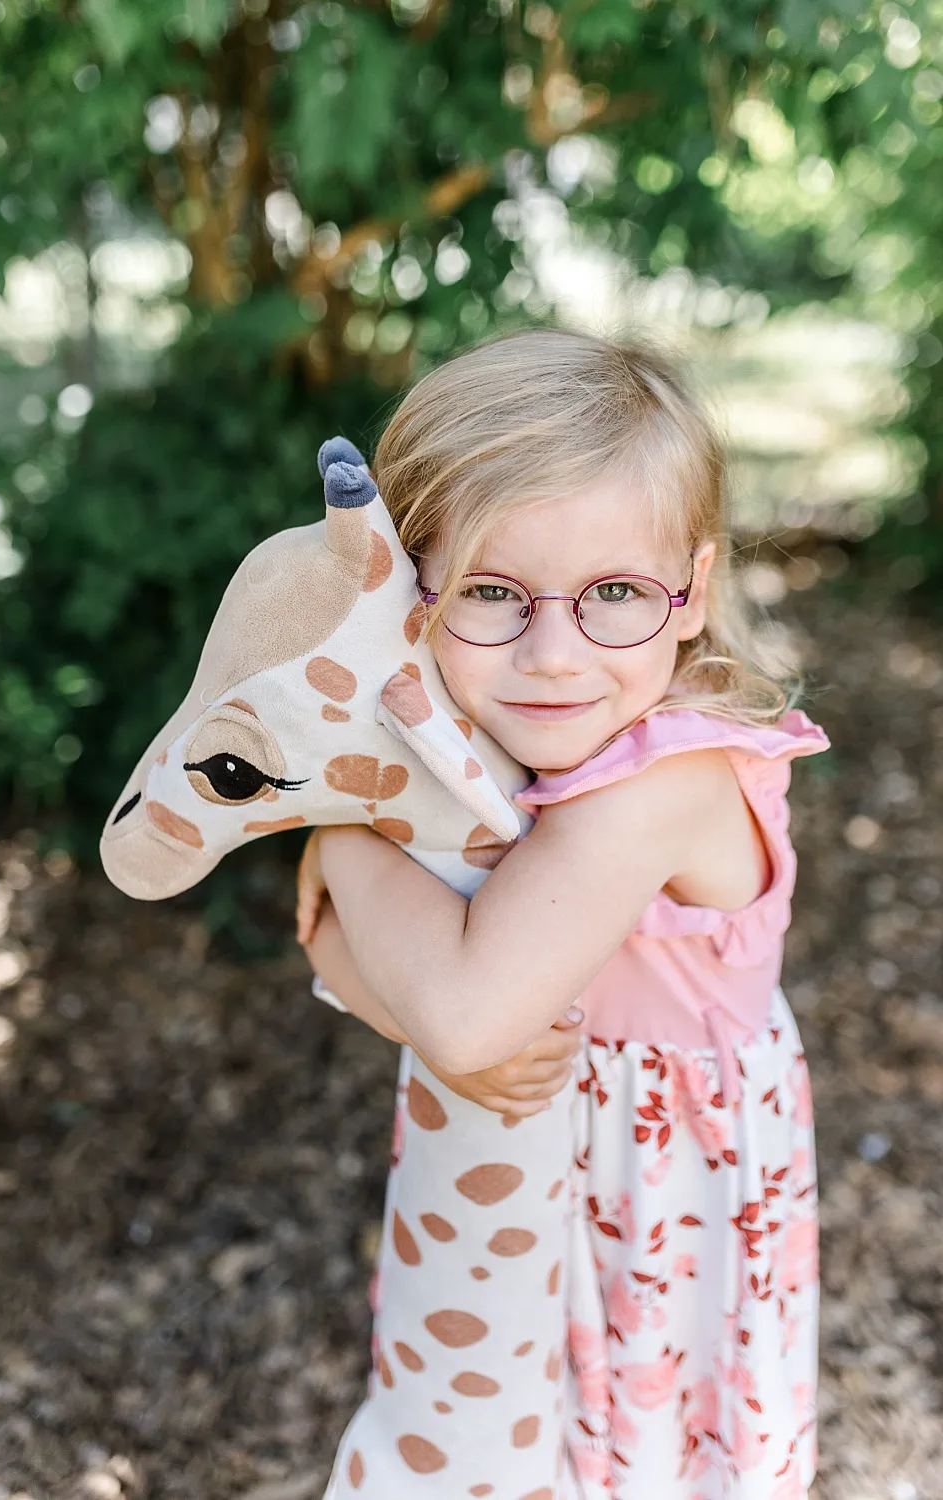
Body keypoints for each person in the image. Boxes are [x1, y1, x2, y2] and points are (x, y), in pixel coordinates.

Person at [297, 328, 829, 1498]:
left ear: (689, 594)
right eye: (489, 591)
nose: (553, 655)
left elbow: (461, 1008)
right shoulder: (477, 751)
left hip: (653, 1213)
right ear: (407, 589)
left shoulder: (660, 785)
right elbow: (338, 955)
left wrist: (336, 819)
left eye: (616, 596)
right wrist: (421, 1007)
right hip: (512, 1188)